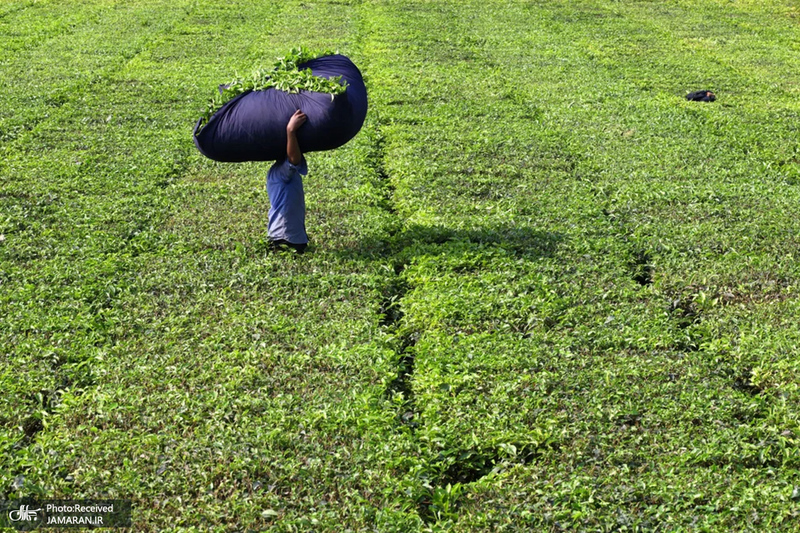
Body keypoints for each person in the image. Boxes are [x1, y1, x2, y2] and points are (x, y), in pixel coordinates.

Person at [267, 109, 309, 253]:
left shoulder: (279, 170)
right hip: (285, 238)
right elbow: (294, 160)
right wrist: (291, 131)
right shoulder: (280, 171)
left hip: (292, 237)